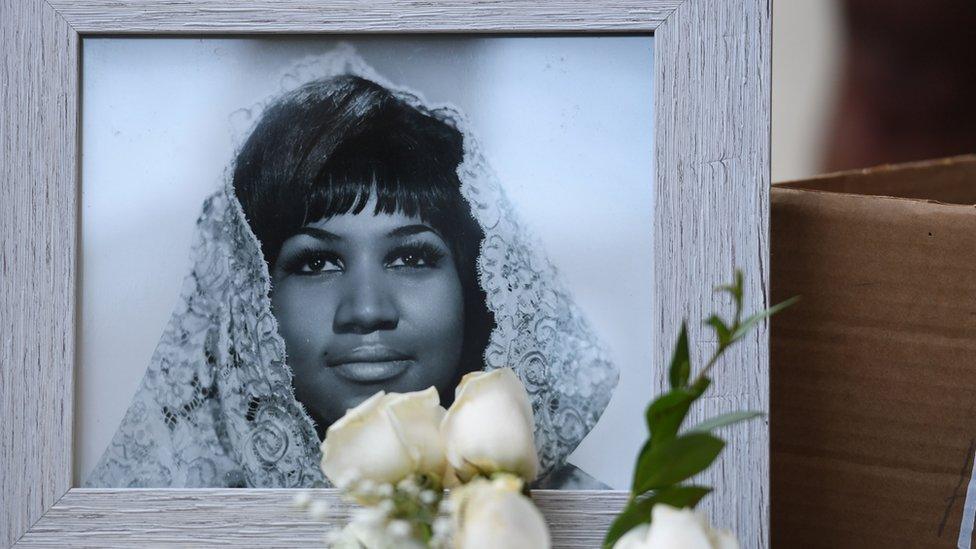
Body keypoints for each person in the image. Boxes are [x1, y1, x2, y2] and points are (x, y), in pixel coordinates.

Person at [85, 48, 618, 490]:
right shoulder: (155, 523)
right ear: (252, 303)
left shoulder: (589, 528)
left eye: (411, 257)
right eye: (316, 262)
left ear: (475, 286)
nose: (367, 309)